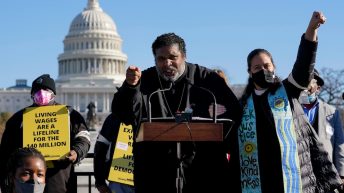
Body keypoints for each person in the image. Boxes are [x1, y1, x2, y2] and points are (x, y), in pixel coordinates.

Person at [228, 11, 344, 193]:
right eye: (257, 67)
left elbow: (304, 65)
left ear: (274, 67)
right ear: (249, 72)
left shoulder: (287, 90)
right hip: (259, 180)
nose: (263, 70)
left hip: (294, 180)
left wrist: (311, 30)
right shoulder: (242, 105)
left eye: (267, 66)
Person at [111, 33, 241, 193]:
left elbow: (234, 114)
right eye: (161, 59)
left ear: (184, 56)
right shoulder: (144, 81)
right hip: (155, 175)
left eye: (173, 57)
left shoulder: (207, 80)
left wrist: (219, 114)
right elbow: (122, 113)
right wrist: (130, 87)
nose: (167, 63)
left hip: (202, 172)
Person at [0, 74, 91, 193]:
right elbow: (5, 153)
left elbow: (83, 137)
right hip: (27, 182)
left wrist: (77, 152)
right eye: (37, 91)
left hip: (60, 179)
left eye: (46, 90)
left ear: (53, 93)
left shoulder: (70, 115)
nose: (41, 93)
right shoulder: (18, 119)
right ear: (32, 94)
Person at [299, 68, 344, 181]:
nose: (307, 85)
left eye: (311, 81)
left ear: (318, 88)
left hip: (325, 172)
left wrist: (342, 173)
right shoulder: (289, 108)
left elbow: (339, 144)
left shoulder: (332, 112)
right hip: (299, 172)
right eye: (303, 81)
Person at [94, 113, 135, 193]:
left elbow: (100, 149)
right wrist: (100, 181)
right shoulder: (113, 118)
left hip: (119, 179)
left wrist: (100, 181)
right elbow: (100, 149)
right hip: (119, 178)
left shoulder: (113, 117)